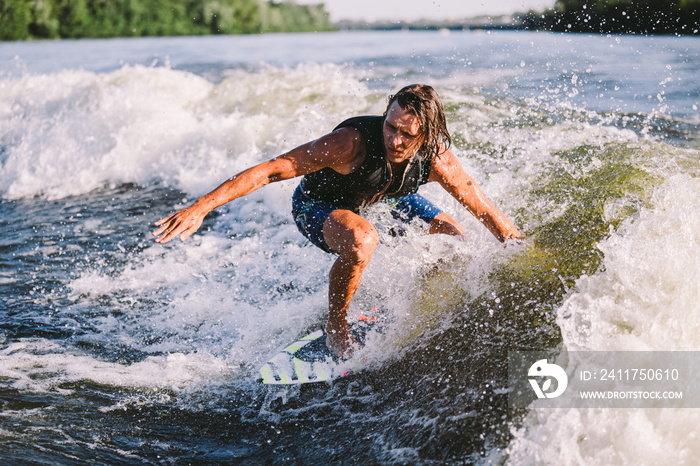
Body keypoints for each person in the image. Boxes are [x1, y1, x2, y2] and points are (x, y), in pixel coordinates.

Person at [153, 84, 522, 358]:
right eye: (390, 126)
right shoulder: (350, 143)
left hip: (383, 196)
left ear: (425, 135)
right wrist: (202, 206)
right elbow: (272, 170)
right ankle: (336, 325)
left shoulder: (437, 160)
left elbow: (486, 211)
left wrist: (523, 256)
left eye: (406, 134)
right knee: (363, 240)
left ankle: (408, 301)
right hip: (318, 205)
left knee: (453, 238)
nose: (394, 139)